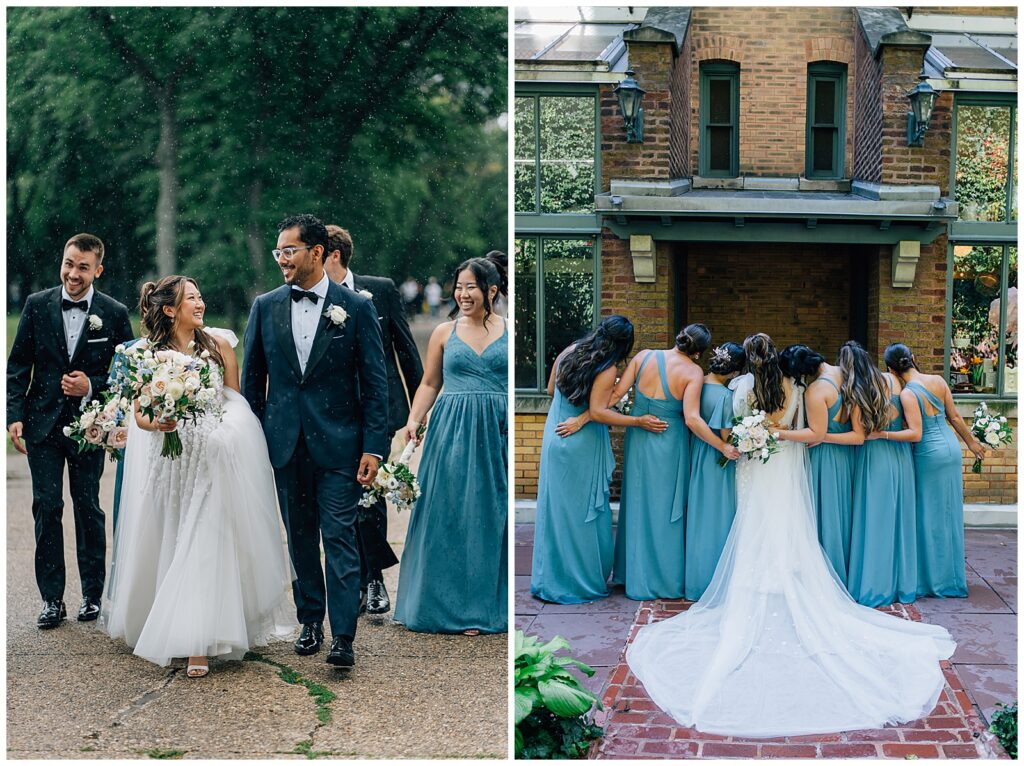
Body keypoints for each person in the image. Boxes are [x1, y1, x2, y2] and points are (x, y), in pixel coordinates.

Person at [627, 332, 955, 737]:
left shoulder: (742, 386)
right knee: (791, 517)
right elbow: (802, 426)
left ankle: (757, 577)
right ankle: (788, 572)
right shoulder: (798, 385)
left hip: (756, 461)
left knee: (753, 518)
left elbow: (738, 426)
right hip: (790, 460)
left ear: (748, 359)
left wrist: (754, 437)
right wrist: (779, 433)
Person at [102, 276, 294, 678]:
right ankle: (167, 622)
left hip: (210, 457)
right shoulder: (148, 356)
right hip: (169, 460)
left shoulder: (219, 345)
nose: (200, 303)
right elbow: (140, 415)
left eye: (201, 296)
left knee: (205, 537)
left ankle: (198, 642)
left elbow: (235, 402)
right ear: (170, 309)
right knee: (171, 535)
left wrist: (226, 436)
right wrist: (161, 424)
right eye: (191, 298)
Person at [243, 214, 389, 668]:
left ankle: (343, 635)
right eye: (278, 251)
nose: (282, 259)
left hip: (342, 445)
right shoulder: (264, 307)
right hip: (285, 444)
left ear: (318, 253)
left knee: (340, 536)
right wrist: (255, 441)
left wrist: (373, 446)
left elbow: (375, 383)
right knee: (300, 537)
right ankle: (311, 620)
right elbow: (252, 384)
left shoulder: (357, 308)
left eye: (290, 250)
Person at [7, 233, 133, 628]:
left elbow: (127, 375)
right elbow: (17, 365)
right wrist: (13, 415)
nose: (72, 274)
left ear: (98, 269)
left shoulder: (113, 313)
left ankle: (92, 595)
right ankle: (51, 600)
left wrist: (91, 386)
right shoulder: (36, 305)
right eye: (68, 263)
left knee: (87, 508)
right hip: (42, 424)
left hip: (89, 428)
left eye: (82, 267)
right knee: (47, 506)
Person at [393, 255, 508, 634]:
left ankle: (481, 606)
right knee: (448, 511)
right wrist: (414, 419)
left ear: (491, 290)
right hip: (452, 431)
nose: (462, 294)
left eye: (470, 287)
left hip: (497, 429)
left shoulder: (509, 329)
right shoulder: (445, 332)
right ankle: (441, 603)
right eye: (458, 287)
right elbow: (430, 383)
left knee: (489, 514)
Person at [530, 316, 665, 604]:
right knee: (583, 517)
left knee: (558, 515)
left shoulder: (570, 350)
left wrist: (575, 413)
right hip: (581, 445)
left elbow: (551, 390)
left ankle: (550, 580)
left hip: (555, 435)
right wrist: (638, 420)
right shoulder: (607, 368)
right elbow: (600, 412)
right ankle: (579, 583)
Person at [325, 224, 424, 615]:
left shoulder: (379, 289)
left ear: (332, 255)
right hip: (332, 413)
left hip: (379, 409)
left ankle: (374, 580)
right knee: (343, 497)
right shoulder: (310, 298)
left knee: (370, 493)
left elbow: (405, 350)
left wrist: (419, 409)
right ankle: (358, 574)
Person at [610, 324, 739, 600]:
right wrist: (722, 445)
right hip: (668, 442)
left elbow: (613, 396)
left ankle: (631, 574)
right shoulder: (692, 372)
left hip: (638, 437)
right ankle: (663, 580)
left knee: (637, 502)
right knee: (665, 507)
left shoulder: (643, 356)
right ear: (699, 351)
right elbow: (692, 419)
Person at [885, 343, 985, 599]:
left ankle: (929, 580)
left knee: (927, 515)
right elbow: (955, 417)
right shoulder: (938, 381)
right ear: (913, 358)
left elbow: (915, 433)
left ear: (890, 369)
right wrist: (972, 443)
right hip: (951, 449)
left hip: (929, 455)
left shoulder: (908, 394)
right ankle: (950, 577)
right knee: (948, 513)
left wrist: (883, 434)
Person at [775, 344, 864, 584]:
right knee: (841, 514)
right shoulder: (848, 375)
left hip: (824, 458)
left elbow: (815, 434)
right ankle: (843, 574)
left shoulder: (816, 390)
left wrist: (779, 434)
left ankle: (824, 579)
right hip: (846, 458)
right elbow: (857, 435)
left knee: (822, 516)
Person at [847, 343, 920, 606]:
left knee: (874, 517)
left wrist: (880, 433)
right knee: (894, 518)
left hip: (876, 453)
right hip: (896, 456)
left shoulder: (863, 386)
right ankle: (898, 583)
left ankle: (873, 582)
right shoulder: (898, 384)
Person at [684, 341, 745, 601]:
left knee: (699, 515)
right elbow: (726, 437)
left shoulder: (697, 386)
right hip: (716, 459)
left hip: (697, 454)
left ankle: (695, 580)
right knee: (717, 517)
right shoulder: (723, 397)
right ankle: (713, 582)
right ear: (733, 372)